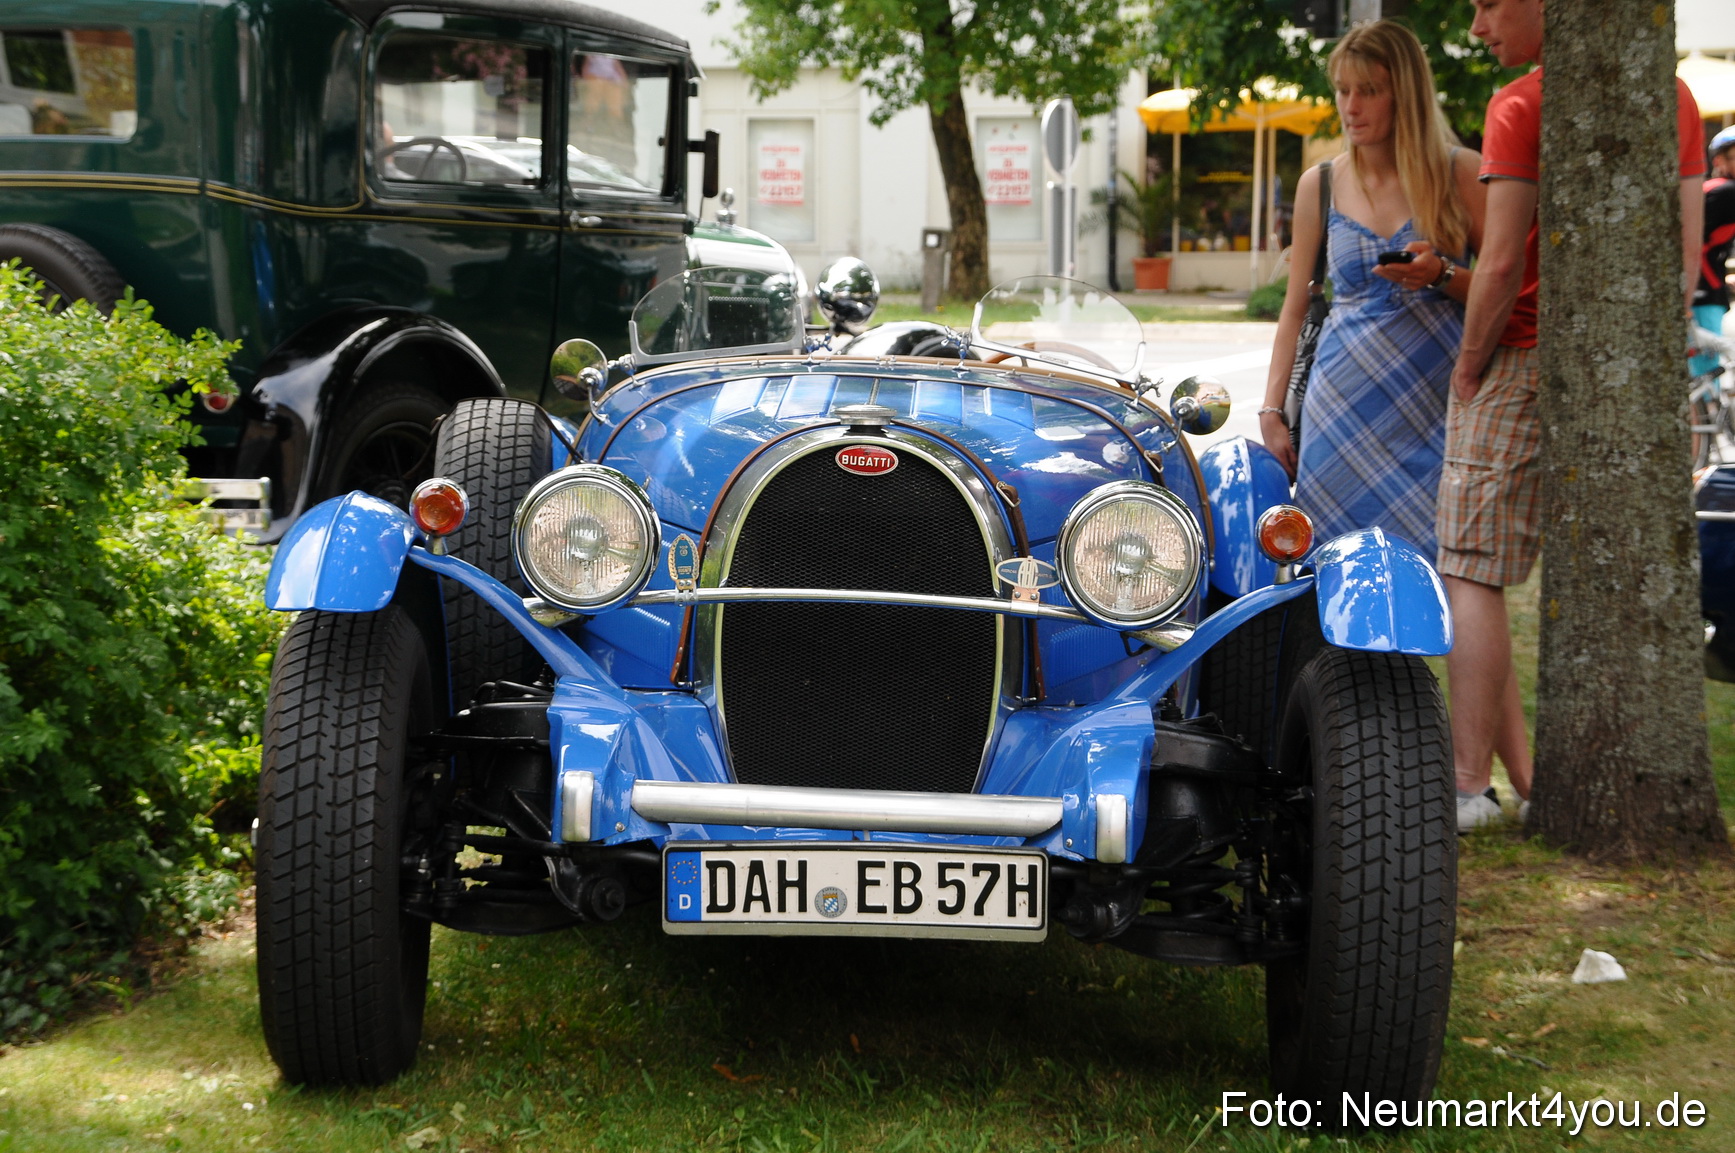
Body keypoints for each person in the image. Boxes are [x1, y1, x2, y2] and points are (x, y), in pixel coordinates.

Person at [1442, 0, 1705, 830]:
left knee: (1469, 568)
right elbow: (1685, 254)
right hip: (1628, 372)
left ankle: (1466, 785)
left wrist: (1468, 365)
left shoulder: (1518, 103)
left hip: (1521, 352)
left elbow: (1499, 261)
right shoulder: (1671, 93)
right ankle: (1531, 780)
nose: (1477, 27)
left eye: (1488, 3)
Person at [1261, 21, 1486, 568]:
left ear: (1404, 94)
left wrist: (1441, 275)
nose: (1351, 106)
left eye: (1369, 90)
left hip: (1434, 406)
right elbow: (1295, 308)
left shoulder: (1461, 172)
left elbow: (1510, 290)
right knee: (1331, 566)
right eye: (1343, 90)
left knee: (1433, 570)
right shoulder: (1321, 183)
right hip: (1340, 411)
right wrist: (1272, 409)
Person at [1692, 126, 1735, 377]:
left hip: (1703, 289)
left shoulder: (1712, 189)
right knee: (1707, 375)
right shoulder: (1726, 191)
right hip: (1704, 294)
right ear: (1719, 161)